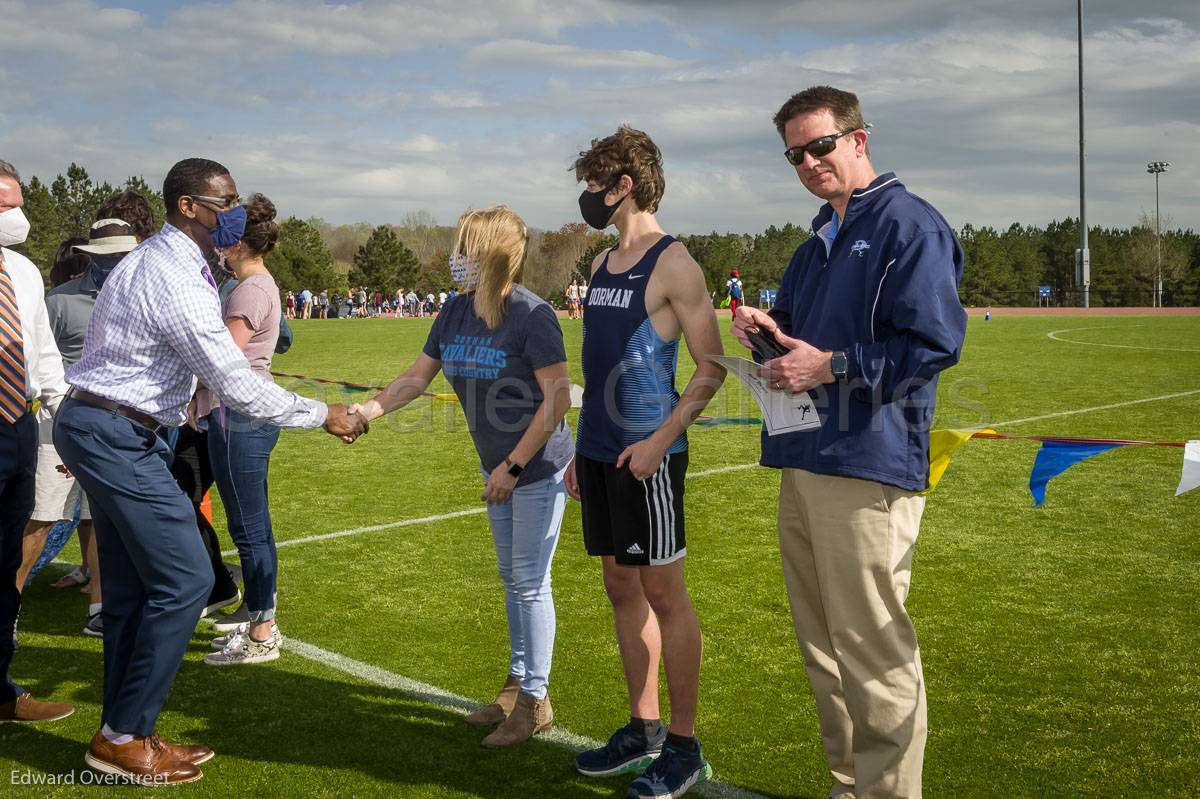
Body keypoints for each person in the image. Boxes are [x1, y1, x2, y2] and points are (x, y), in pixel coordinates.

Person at [53, 158, 366, 785]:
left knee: (133, 587)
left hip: (106, 425)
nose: (237, 212)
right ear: (188, 206)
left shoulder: (164, 261)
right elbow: (233, 383)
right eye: (224, 202)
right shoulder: (177, 275)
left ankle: (123, 730)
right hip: (118, 434)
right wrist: (323, 413)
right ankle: (123, 734)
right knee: (188, 578)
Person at [732, 86, 966, 799]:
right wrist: (766, 334)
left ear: (859, 139)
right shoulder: (815, 244)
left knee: (871, 652)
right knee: (825, 651)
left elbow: (932, 345)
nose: (807, 162)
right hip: (804, 459)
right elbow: (802, 334)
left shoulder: (908, 225)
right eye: (795, 153)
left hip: (869, 465)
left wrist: (829, 363)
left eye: (820, 145)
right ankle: (849, 786)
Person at [353, 205, 573, 748]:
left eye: (466, 249)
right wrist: (367, 413)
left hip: (537, 467)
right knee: (511, 576)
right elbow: (415, 378)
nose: (456, 259)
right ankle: (516, 684)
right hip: (497, 465)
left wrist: (513, 467)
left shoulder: (532, 314)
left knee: (529, 580)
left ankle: (534, 703)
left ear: (493, 256)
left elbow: (558, 400)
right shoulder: (453, 312)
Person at [565, 127, 725, 799]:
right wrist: (579, 447)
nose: (588, 196)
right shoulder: (603, 266)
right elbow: (595, 366)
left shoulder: (674, 262)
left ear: (623, 185)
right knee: (619, 588)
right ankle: (644, 726)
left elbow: (711, 365)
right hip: (599, 453)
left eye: (596, 182)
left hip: (651, 459)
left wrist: (661, 439)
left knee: (664, 593)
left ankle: (684, 747)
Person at [22, 210, 146, 638]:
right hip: (58, 425)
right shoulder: (60, 300)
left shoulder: (141, 299)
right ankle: (10, 613)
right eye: (108, 254)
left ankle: (99, 607)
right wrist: (59, 421)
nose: (117, 262)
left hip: (114, 427)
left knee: (101, 519)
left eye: (123, 254)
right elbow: (33, 362)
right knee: (42, 519)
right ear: (91, 255)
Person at [194, 194, 290, 666]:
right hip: (238, 415)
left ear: (234, 242)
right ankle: (257, 613)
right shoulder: (249, 284)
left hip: (242, 418)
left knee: (250, 530)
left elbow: (223, 358)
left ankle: (262, 631)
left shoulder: (251, 289)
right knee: (251, 527)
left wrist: (193, 385)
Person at [0, 158, 75, 726]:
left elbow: (44, 353)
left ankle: (0, 690)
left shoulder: (23, 271)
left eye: (18, 202)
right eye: (6, 204)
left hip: (17, 426)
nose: (17, 215)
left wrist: (67, 418)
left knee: (6, 563)